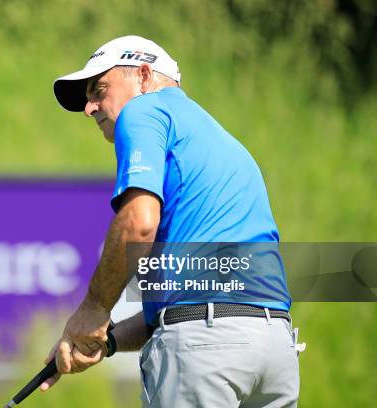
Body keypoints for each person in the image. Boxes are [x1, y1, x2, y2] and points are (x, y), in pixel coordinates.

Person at [42, 35, 302, 407]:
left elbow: (139, 223)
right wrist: (106, 339)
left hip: (207, 350)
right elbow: (182, 309)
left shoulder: (144, 111)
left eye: (99, 89)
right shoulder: (223, 141)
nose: (89, 107)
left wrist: (93, 310)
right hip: (275, 349)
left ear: (144, 76)